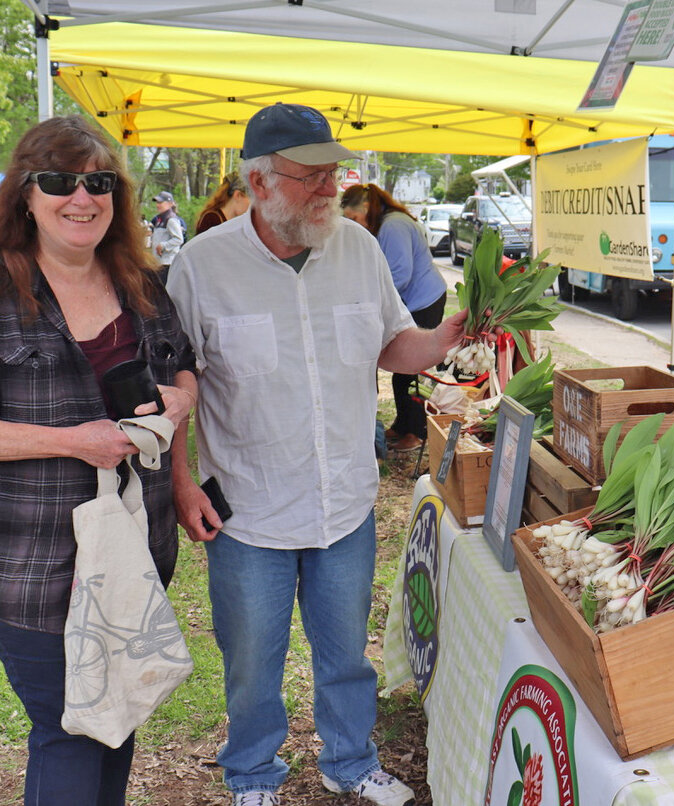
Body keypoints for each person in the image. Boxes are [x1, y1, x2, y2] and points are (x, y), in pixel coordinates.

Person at [167, 102, 469, 806]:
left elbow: (392, 343)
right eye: (312, 176)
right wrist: (182, 486)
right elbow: (177, 389)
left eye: (335, 172)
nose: (330, 187)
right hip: (249, 508)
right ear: (261, 181)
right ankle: (251, 772)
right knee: (250, 663)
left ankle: (349, 758)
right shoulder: (202, 266)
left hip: (345, 500)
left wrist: (443, 340)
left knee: (344, 656)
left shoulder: (358, 250)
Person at [0, 115, 198, 804]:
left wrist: (176, 407)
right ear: (26, 195)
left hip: (137, 550)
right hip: (33, 566)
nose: (81, 198)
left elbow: (185, 373)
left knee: (116, 724)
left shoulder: (141, 284)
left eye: (99, 182)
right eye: (59, 181)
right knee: (71, 732)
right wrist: (72, 440)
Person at [340, 183, 448, 452]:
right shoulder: (387, 223)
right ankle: (403, 426)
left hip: (424, 301)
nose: (355, 226)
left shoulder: (393, 225)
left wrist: (368, 301)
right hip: (415, 300)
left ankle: (416, 432)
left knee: (409, 372)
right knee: (402, 374)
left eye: (354, 219)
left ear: (366, 208)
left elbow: (399, 275)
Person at [151, 190, 184, 282]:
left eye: (161, 202)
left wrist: (163, 245)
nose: (158, 205)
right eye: (157, 202)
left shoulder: (171, 220)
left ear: (170, 204)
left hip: (168, 263)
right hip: (159, 262)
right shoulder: (160, 219)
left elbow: (178, 239)